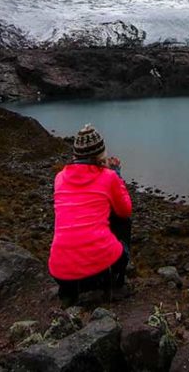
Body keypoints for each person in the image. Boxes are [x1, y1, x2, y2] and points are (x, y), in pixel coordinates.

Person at [48, 124, 132, 306]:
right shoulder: (108, 177)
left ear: (76, 155)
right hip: (99, 272)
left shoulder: (59, 178)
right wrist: (117, 174)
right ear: (100, 154)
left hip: (60, 274)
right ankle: (117, 283)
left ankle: (70, 291)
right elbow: (125, 210)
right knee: (123, 219)